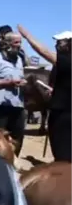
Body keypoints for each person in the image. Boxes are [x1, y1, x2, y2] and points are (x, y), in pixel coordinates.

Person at [18, 25, 72, 161]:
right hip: (63, 110)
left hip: (63, 115)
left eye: (60, 42)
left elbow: (44, 52)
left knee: (63, 155)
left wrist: (27, 36)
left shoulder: (66, 61)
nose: (56, 45)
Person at [0, 32, 26, 157]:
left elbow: (21, 77)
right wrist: (9, 82)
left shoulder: (19, 60)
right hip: (0, 106)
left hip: (17, 105)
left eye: (20, 42)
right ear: (7, 44)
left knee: (17, 138)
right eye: (16, 42)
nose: (19, 46)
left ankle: (12, 164)